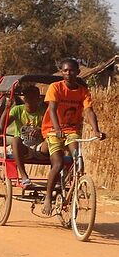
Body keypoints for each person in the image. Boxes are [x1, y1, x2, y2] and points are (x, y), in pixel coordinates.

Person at [41, 58, 105, 215]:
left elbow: (89, 111)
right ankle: (48, 197)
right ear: (62, 72)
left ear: (78, 72)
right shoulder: (55, 87)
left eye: (71, 70)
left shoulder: (83, 91)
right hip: (52, 130)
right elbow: (53, 108)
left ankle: (75, 187)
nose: (68, 73)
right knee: (58, 163)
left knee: (78, 158)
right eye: (65, 71)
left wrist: (96, 131)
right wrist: (56, 129)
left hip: (71, 131)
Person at [0, 85, 46, 188]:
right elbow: (3, 126)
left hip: (39, 147)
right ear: (24, 99)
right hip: (23, 147)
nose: (30, 100)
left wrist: (40, 130)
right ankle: (24, 176)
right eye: (27, 98)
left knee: (53, 140)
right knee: (16, 140)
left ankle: (57, 178)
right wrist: (7, 108)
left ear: (38, 99)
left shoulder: (44, 111)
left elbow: (50, 128)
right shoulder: (17, 110)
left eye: (33, 98)